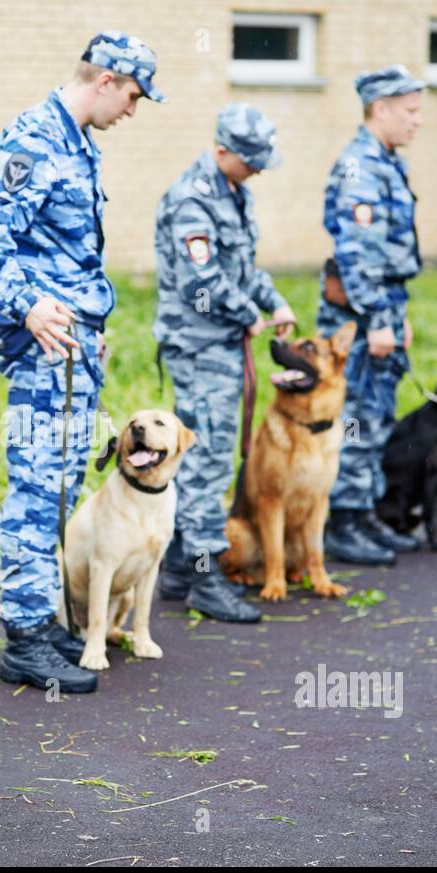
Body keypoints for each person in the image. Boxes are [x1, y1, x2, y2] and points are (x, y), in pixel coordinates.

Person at [0, 32, 164, 694]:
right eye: (133, 94)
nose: (133, 109)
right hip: (45, 349)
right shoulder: (34, 137)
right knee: (35, 487)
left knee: (59, 484)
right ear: (105, 79)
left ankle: (45, 621)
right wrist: (26, 305)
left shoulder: (77, 143)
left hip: (77, 350)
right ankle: (24, 636)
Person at [153, 103, 296, 622]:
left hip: (220, 346)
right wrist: (245, 315)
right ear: (221, 151)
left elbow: (242, 267)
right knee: (206, 458)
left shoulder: (235, 193)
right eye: (251, 159)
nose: (258, 168)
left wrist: (273, 302)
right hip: (199, 345)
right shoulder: (192, 199)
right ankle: (203, 574)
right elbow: (201, 284)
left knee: (203, 452)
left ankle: (173, 567)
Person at [316, 66, 426, 567]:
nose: (417, 121)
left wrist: (394, 314)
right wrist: (378, 318)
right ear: (379, 108)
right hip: (360, 317)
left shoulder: (384, 162)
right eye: (410, 110)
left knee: (376, 412)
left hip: (381, 306)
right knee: (356, 414)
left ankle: (364, 513)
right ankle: (343, 521)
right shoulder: (360, 166)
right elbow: (357, 252)